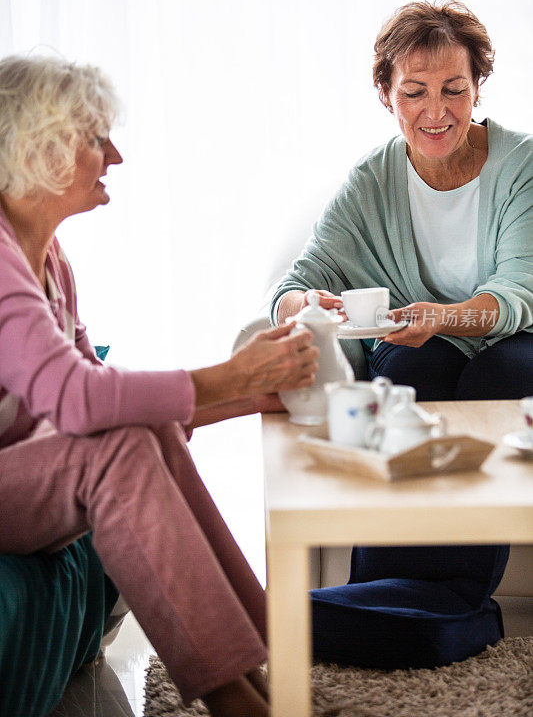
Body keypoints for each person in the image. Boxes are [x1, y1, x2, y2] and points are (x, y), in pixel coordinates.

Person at [0, 55, 320, 717]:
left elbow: (97, 387)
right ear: (41, 147)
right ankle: (234, 699)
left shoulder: (50, 257)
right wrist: (233, 373)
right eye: (95, 138)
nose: (113, 155)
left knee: (133, 435)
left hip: (22, 475)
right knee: (112, 449)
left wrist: (251, 395)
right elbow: (75, 400)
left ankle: (261, 670)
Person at [271, 0, 533, 668]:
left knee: (493, 375)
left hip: (516, 339)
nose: (436, 111)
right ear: (385, 93)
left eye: (454, 89)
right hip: (428, 344)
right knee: (402, 370)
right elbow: (297, 282)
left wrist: (442, 315)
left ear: (478, 88)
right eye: (413, 92)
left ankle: (440, 597)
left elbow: (519, 294)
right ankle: (392, 594)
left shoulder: (519, 164)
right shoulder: (372, 179)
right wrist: (309, 303)